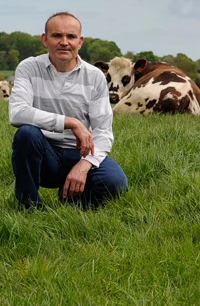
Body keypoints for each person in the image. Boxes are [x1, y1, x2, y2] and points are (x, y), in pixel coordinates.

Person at [9, 11, 128, 209]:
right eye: (57, 36)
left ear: (80, 41)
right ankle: (28, 207)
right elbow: (17, 113)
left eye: (71, 36)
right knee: (26, 134)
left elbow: (103, 132)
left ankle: (72, 201)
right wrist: (71, 122)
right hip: (44, 153)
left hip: (79, 152)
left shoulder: (95, 76)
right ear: (45, 40)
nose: (64, 42)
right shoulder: (29, 68)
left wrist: (84, 165)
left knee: (115, 182)